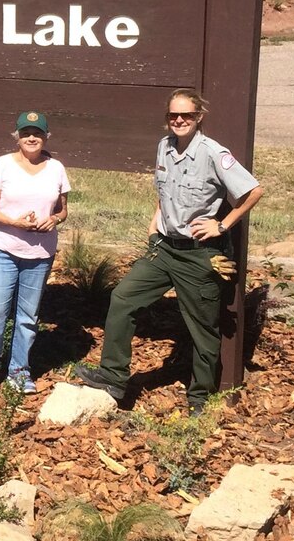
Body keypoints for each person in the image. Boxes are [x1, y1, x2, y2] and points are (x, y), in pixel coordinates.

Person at [74, 89, 263, 415]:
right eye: (173, 115)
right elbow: (164, 192)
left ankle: (200, 398)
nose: (179, 120)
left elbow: (253, 190)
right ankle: (113, 376)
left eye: (186, 115)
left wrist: (222, 226)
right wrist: (154, 224)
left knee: (202, 329)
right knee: (122, 297)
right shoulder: (164, 147)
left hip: (198, 255)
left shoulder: (213, 153)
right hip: (163, 248)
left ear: (198, 117)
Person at [0, 111, 70, 397]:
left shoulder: (56, 168)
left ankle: (19, 370)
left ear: (45, 137)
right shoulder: (3, 165)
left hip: (40, 253)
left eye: (38, 133)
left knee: (28, 316)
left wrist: (54, 219)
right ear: (17, 136)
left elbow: (63, 209)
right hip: (3, 249)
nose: (32, 138)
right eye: (26, 133)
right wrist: (15, 222)